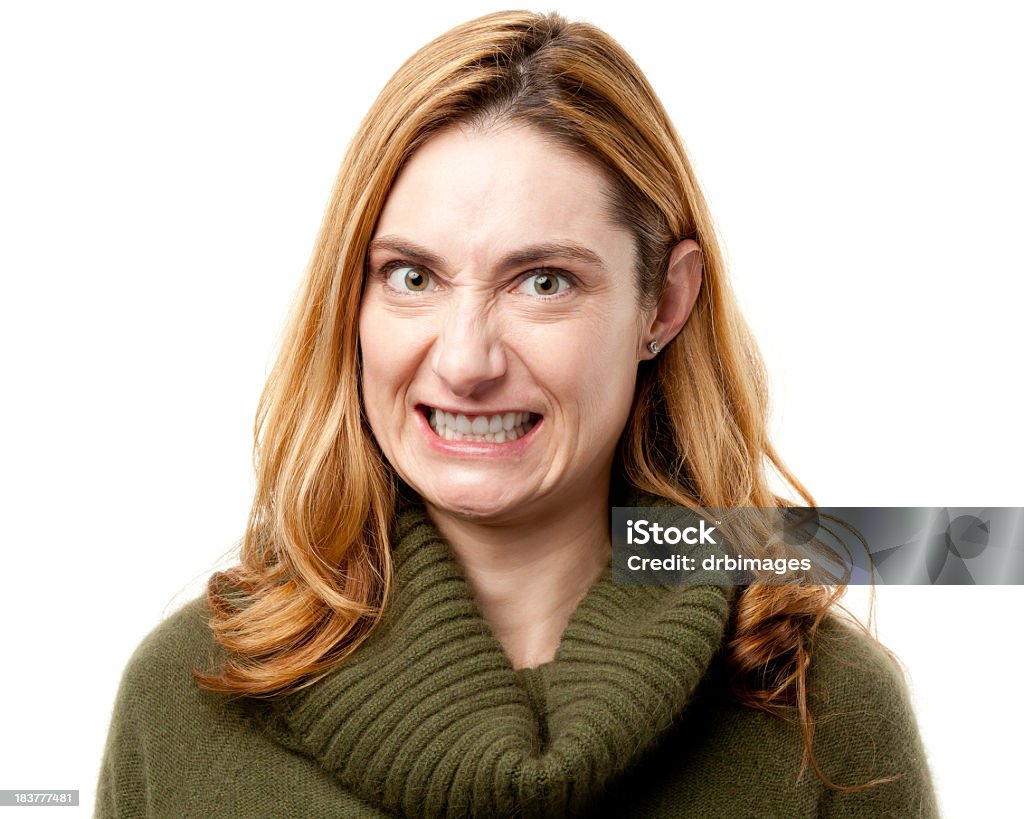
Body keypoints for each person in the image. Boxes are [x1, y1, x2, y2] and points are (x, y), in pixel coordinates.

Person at [95, 10, 939, 818]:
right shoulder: (186, 699)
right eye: (411, 276)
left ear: (664, 305)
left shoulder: (827, 711)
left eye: (544, 282)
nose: (466, 361)